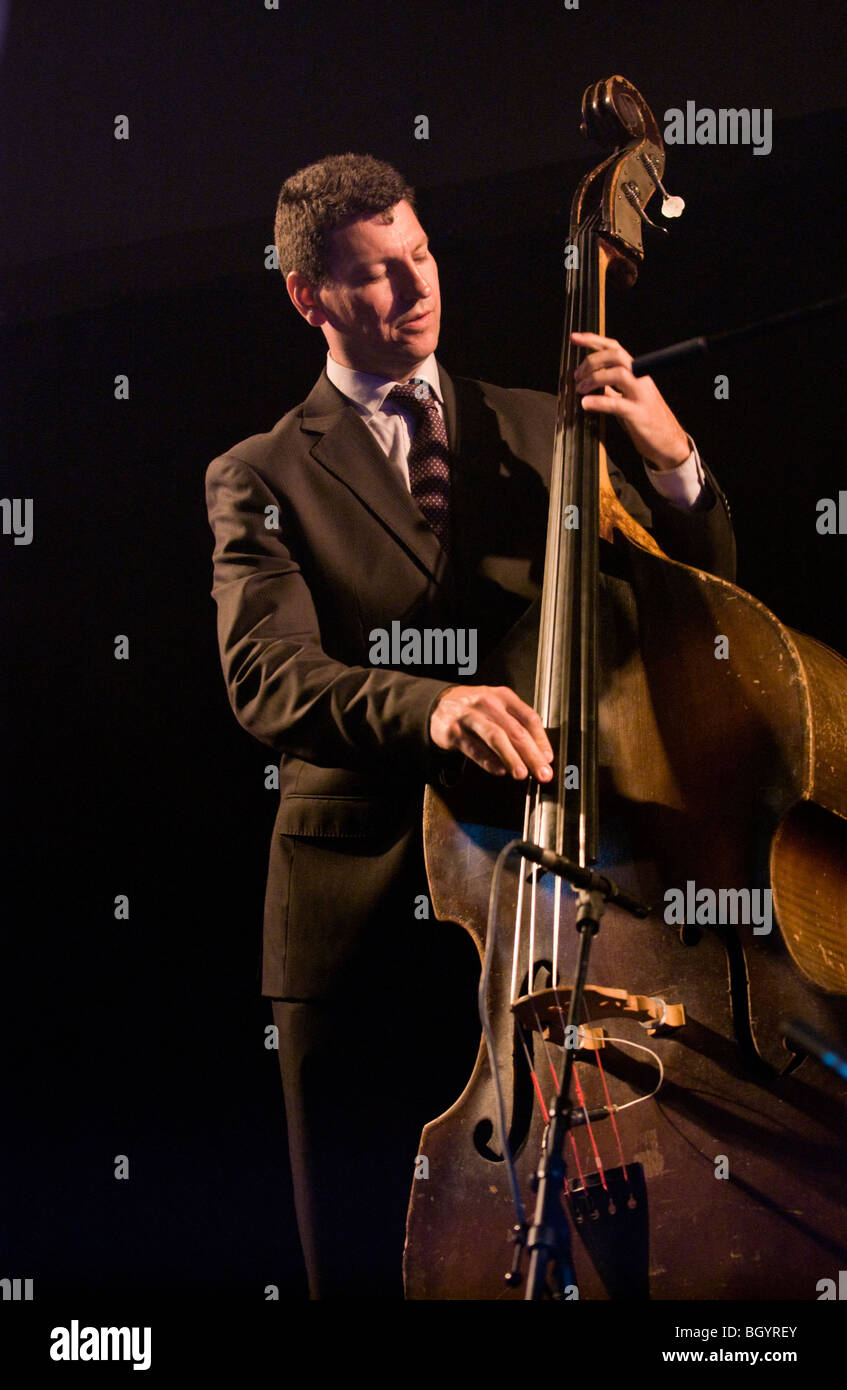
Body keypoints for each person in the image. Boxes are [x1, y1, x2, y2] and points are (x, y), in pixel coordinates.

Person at [205, 153, 735, 1299]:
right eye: (374, 278)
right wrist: (434, 703)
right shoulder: (256, 474)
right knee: (360, 1265)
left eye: (420, 258)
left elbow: (700, 615)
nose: (413, 292)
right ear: (308, 298)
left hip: (549, 905)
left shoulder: (544, 426)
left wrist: (670, 456)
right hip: (363, 929)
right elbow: (266, 674)